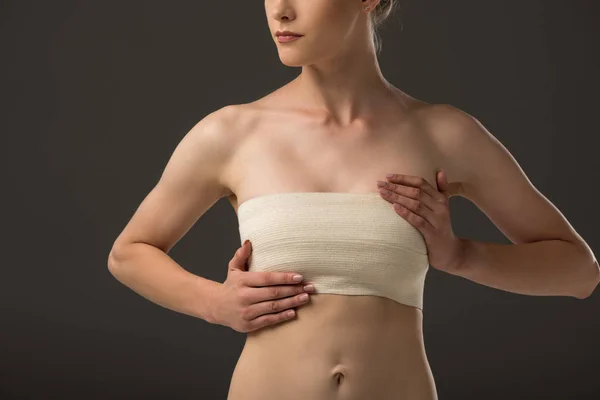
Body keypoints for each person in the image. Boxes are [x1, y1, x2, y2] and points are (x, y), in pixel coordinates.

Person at [107, 0, 599, 399]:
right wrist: (215, 303)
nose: (279, 9)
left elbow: (579, 272)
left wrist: (462, 255)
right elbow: (129, 253)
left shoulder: (443, 133)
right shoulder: (233, 132)